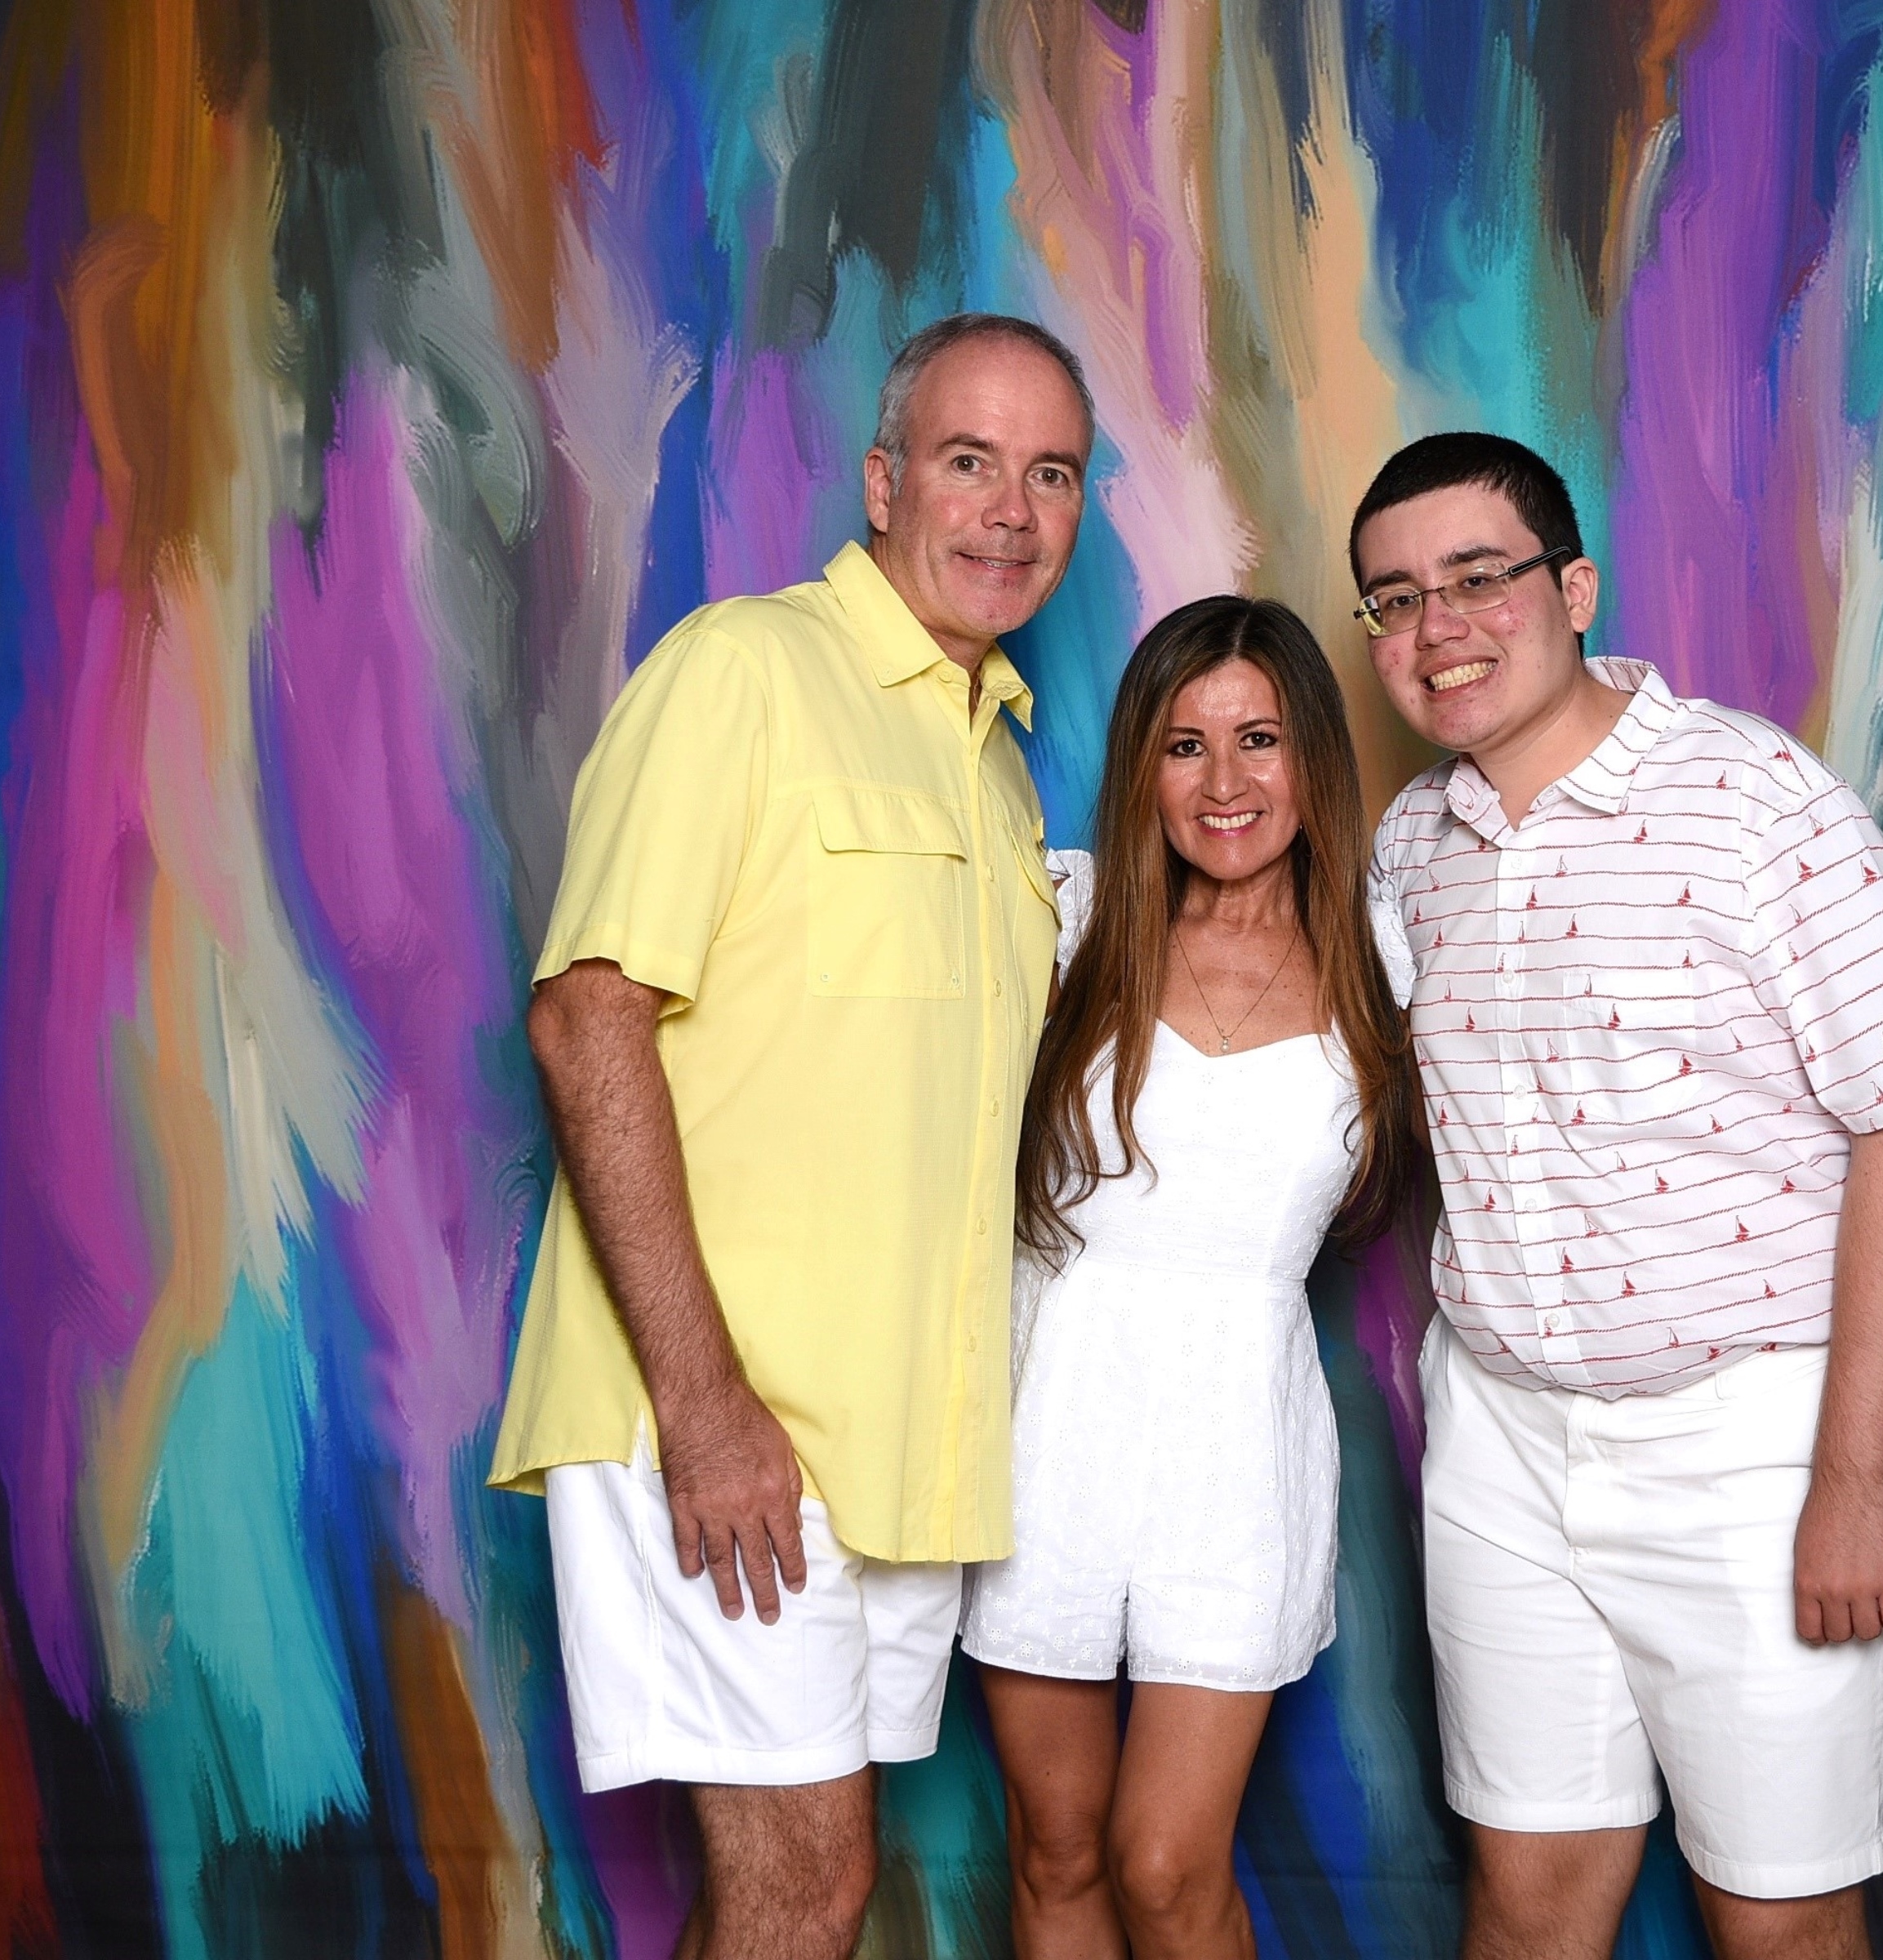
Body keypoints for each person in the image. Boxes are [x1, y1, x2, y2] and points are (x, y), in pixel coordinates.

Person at [486, 313, 1094, 1960]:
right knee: (804, 1884)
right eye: (969, 462)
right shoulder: (744, 670)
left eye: (1052, 474)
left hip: (895, 1451)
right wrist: (704, 1403)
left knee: (800, 1886)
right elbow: (588, 1016)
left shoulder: (996, 768)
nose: (1011, 511)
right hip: (726, 1416)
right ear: (885, 482)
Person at [1354, 433, 1883, 1960]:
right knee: (1531, 1895)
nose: (1438, 627)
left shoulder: (1757, 802)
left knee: (1779, 1917)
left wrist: (1849, 1481)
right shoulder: (1411, 847)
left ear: (1574, 590)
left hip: (1757, 1437)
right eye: (1395, 599)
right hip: (1502, 1439)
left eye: (1478, 579)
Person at [959, 595, 1417, 1960]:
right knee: (1056, 1851)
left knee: (1164, 1866)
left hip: (1238, 1456)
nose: (1225, 783)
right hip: (1048, 1433)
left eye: (1259, 739)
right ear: (1141, 768)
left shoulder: (1388, 952)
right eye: (1184, 745)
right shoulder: (1067, 918)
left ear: (1312, 755)